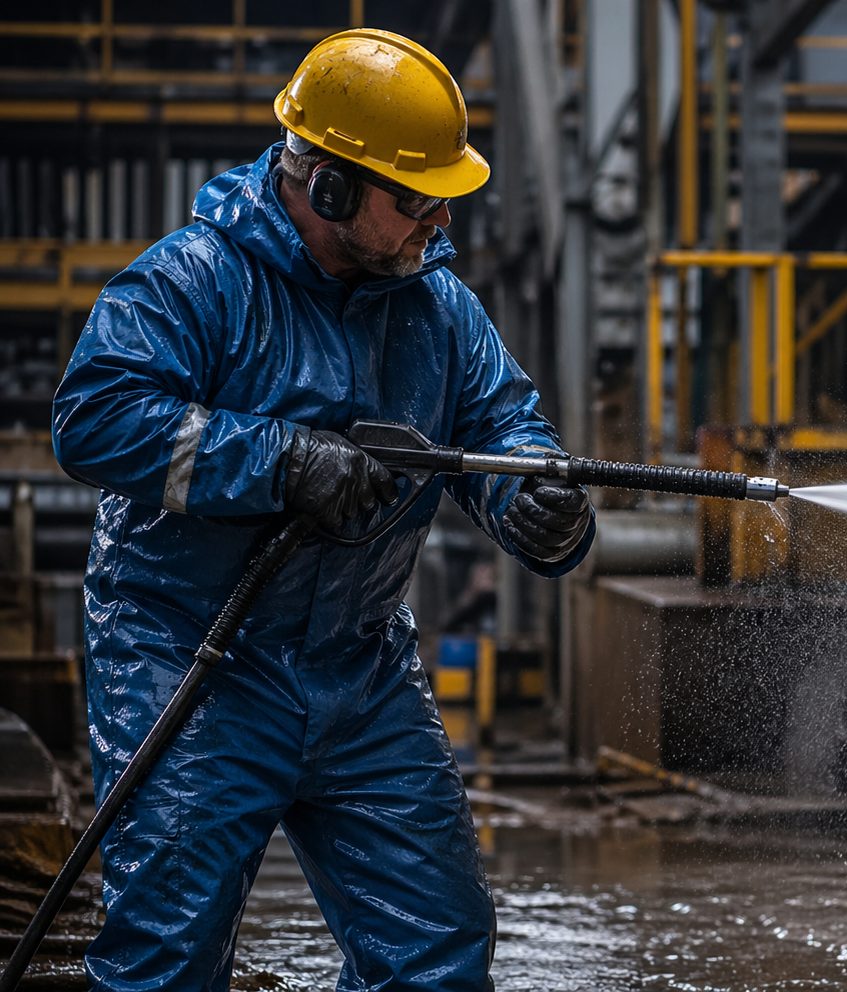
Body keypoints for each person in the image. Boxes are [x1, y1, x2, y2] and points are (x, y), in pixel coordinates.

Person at [51, 28, 593, 991]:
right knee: (166, 960)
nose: (438, 219)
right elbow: (94, 419)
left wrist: (531, 499)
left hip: (360, 667)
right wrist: (279, 461)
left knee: (435, 952)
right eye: (415, 196)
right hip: (191, 659)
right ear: (331, 187)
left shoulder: (436, 307)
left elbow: (502, 426)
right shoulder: (193, 281)